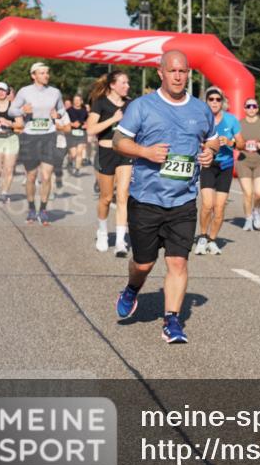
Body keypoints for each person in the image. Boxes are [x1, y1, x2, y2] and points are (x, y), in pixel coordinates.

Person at [112, 50, 217, 344]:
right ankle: (132, 288)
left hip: (183, 200)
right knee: (144, 264)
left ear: (188, 73)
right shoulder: (142, 106)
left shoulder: (200, 109)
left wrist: (211, 151)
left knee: (178, 263)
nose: (178, 76)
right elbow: (119, 141)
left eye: (183, 71)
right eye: (172, 71)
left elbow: (213, 138)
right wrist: (144, 152)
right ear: (161, 73)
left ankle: (171, 321)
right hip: (146, 199)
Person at [10, 62, 70, 225]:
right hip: (30, 137)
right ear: (33, 75)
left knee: (46, 175)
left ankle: (43, 209)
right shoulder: (24, 92)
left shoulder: (55, 92)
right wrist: (23, 111)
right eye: (42, 73)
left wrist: (57, 116)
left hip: (49, 135)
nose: (46, 75)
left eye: (47, 73)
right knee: (31, 176)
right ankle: (31, 208)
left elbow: (62, 111)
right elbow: (11, 110)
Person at [86, 71, 132, 256]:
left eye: (128, 82)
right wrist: (113, 119)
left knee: (123, 196)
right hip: (106, 152)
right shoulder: (101, 103)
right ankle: (103, 232)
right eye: (123, 82)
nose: (127, 86)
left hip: (125, 152)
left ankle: (120, 241)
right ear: (113, 85)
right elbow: (91, 129)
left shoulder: (130, 104)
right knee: (105, 198)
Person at [195, 87, 243, 255]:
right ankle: (202, 236)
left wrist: (230, 143)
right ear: (206, 102)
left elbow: (242, 144)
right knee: (207, 205)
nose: (215, 102)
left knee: (220, 207)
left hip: (225, 167)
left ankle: (212, 240)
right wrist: (205, 145)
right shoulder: (201, 119)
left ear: (222, 102)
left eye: (218, 99)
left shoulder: (231, 120)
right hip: (208, 164)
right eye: (211, 99)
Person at [236, 97, 260, 231]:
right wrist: (238, 145)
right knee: (248, 193)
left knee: (259, 193)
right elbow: (233, 141)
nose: (251, 109)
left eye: (254, 106)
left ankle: (256, 211)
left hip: (259, 162)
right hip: (243, 162)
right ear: (244, 109)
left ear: (258, 108)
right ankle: (248, 219)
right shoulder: (239, 124)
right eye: (248, 106)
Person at [65, 94, 90, 175]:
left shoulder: (84, 111)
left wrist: (86, 125)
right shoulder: (68, 110)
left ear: (81, 101)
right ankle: (70, 161)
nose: (76, 102)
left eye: (78, 100)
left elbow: (88, 121)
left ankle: (77, 169)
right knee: (73, 154)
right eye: (75, 100)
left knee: (79, 152)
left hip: (82, 133)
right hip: (71, 134)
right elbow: (65, 121)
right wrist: (72, 124)